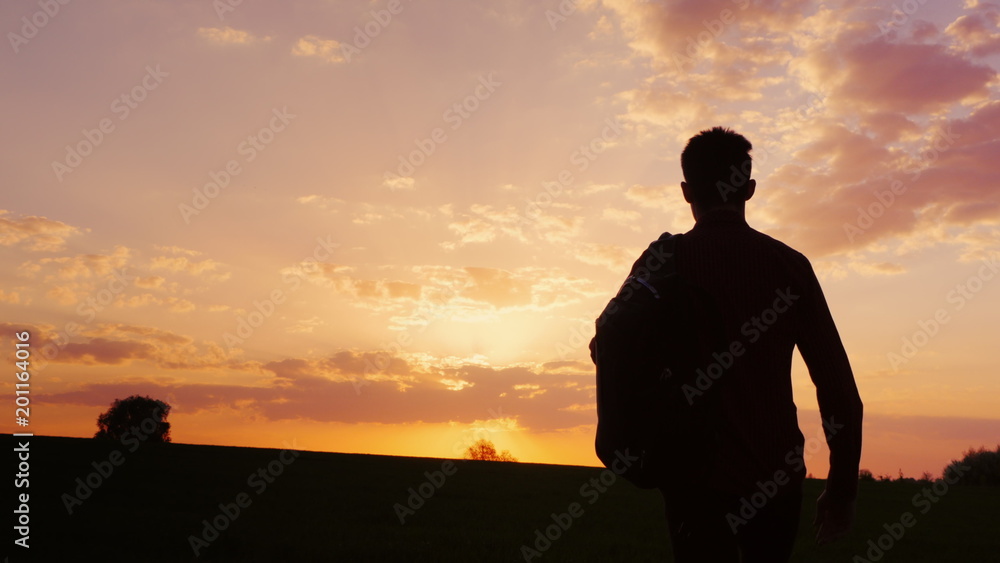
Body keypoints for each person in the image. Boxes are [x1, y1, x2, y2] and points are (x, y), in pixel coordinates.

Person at [648, 127, 864, 562]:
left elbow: (607, 348)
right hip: (774, 480)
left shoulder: (662, 263)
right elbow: (840, 392)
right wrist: (840, 491)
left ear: (686, 191)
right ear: (748, 189)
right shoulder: (788, 266)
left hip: (693, 483)